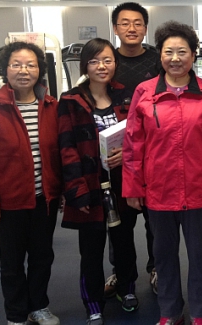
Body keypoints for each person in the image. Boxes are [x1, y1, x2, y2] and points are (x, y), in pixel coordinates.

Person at [123, 21, 202, 325]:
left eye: (182, 52)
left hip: (199, 188)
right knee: (163, 256)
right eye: (169, 52)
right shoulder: (145, 92)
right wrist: (132, 187)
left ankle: (199, 313)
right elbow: (133, 142)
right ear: (160, 55)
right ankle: (169, 312)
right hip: (158, 189)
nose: (175, 58)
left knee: (199, 255)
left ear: (193, 55)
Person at [0, 41, 61, 325]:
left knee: (42, 257)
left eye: (30, 65)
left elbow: (57, 153)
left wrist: (59, 191)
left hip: (44, 200)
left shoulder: (51, 106)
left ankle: (38, 306)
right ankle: (16, 314)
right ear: (5, 70)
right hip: (9, 204)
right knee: (12, 263)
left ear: (39, 70)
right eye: (16, 65)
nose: (24, 71)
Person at [58, 38, 138, 325]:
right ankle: (92, 302)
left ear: (115, 63)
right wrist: (76, 190)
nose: (101, 66)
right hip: (89, 185)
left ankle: (127, 289)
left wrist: (125, 154)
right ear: (85, 66)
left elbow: (137, 137)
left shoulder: (126, 96)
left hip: (121, 184)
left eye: (107, 60)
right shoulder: (71, 101)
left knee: (125, 243)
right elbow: (66, 148)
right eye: (94, 61)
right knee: (91, 250)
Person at [107, 1, 160, 297]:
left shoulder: (157, 60)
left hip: (153, 154)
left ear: (145, 28)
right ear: (115, 28)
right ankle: (121, 272)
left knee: (156, 221)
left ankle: (157, 269)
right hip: (116, 156)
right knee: (119, 223)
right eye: (125, 23)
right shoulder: (107, 60)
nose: (131, 28)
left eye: (138, 23)